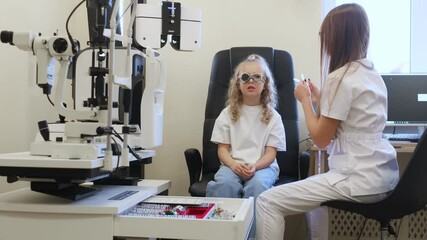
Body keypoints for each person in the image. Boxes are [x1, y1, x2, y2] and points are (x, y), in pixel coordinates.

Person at [256, 3, 399, 240]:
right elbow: (352, 119)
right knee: (314, 200)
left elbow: (321, 139)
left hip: (357, 179)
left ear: (335, 39)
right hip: (383, 178)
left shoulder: (339, 78)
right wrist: (321, 97)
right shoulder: (371, 73)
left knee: (267, 201)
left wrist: (304, 101)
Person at [206, 54, 286, 200]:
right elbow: (222, 150)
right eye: (245, 77)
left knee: (258, 185)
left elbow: (270, 153)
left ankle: (253, 224)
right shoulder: (227, 114)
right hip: (231, 165)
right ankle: (225, 223)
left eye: (257, 77)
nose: (251, 81)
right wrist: (233, 165)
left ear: (265, 83)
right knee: (225, 184)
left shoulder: (274, 117)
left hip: (263, 167)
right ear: (237, 83)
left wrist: (255, 166)